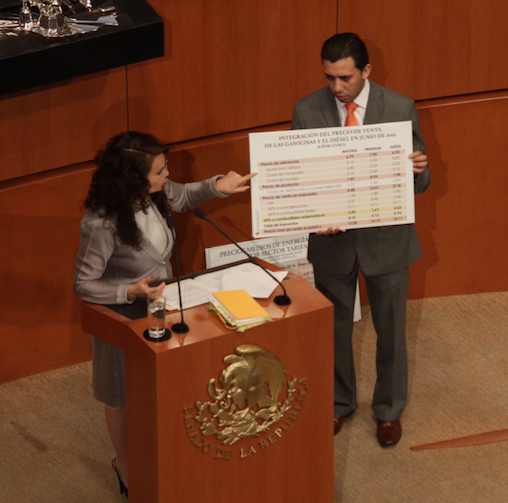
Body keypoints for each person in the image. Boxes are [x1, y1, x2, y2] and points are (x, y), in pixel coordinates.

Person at [72, 131, 255, 495]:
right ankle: (123, 464)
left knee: (161, 387)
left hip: (161, 310)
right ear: (134, 179)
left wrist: (221, 184)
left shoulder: (155, 194)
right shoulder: (100, 223)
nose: (166, 174)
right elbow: (83, 283)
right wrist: (130, 290)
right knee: (121, 396)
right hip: (122, 320)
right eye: (159, 170)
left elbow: (185, 194)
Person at [291, 33, 430, 446]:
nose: (337, 87)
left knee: (390, 330)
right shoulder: (305, 109)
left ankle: (387, 410)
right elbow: (302, 177)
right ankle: (339, 403)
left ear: (366, 71)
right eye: (330, 77)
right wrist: (316, 212)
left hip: (386, 240)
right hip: (332, 242)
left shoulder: (401, 107)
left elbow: (420, 183)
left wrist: (417, 170)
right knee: (333, 329)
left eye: (345, 78)